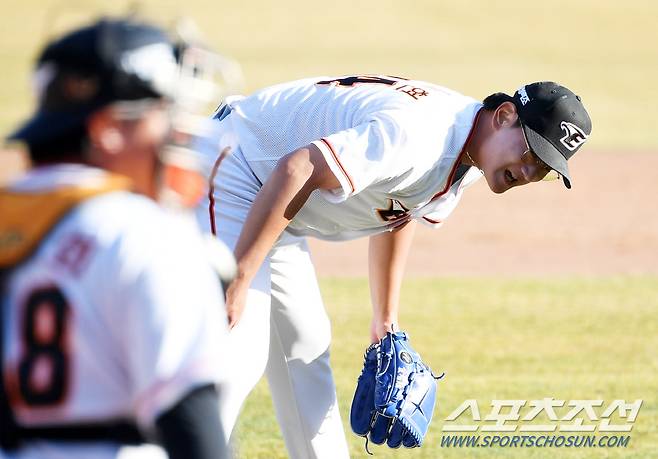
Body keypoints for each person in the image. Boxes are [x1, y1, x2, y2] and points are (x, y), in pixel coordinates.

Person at [197, 75, 592, 457]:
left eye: (543, 168)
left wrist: (385, 318)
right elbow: (297, 169)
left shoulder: (471, 154)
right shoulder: (420, 135)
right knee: (239, 350)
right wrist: (239, 277)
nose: (528, 172)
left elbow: (398, 207)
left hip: (278, 201)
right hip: (235, 166)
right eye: (529, 153)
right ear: (504, 115)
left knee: (305, 345)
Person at [1, 17, 236, 459]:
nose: (179, 133)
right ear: (107, 129)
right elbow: (191, 418)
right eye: (164, 112)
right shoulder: (146, 235)